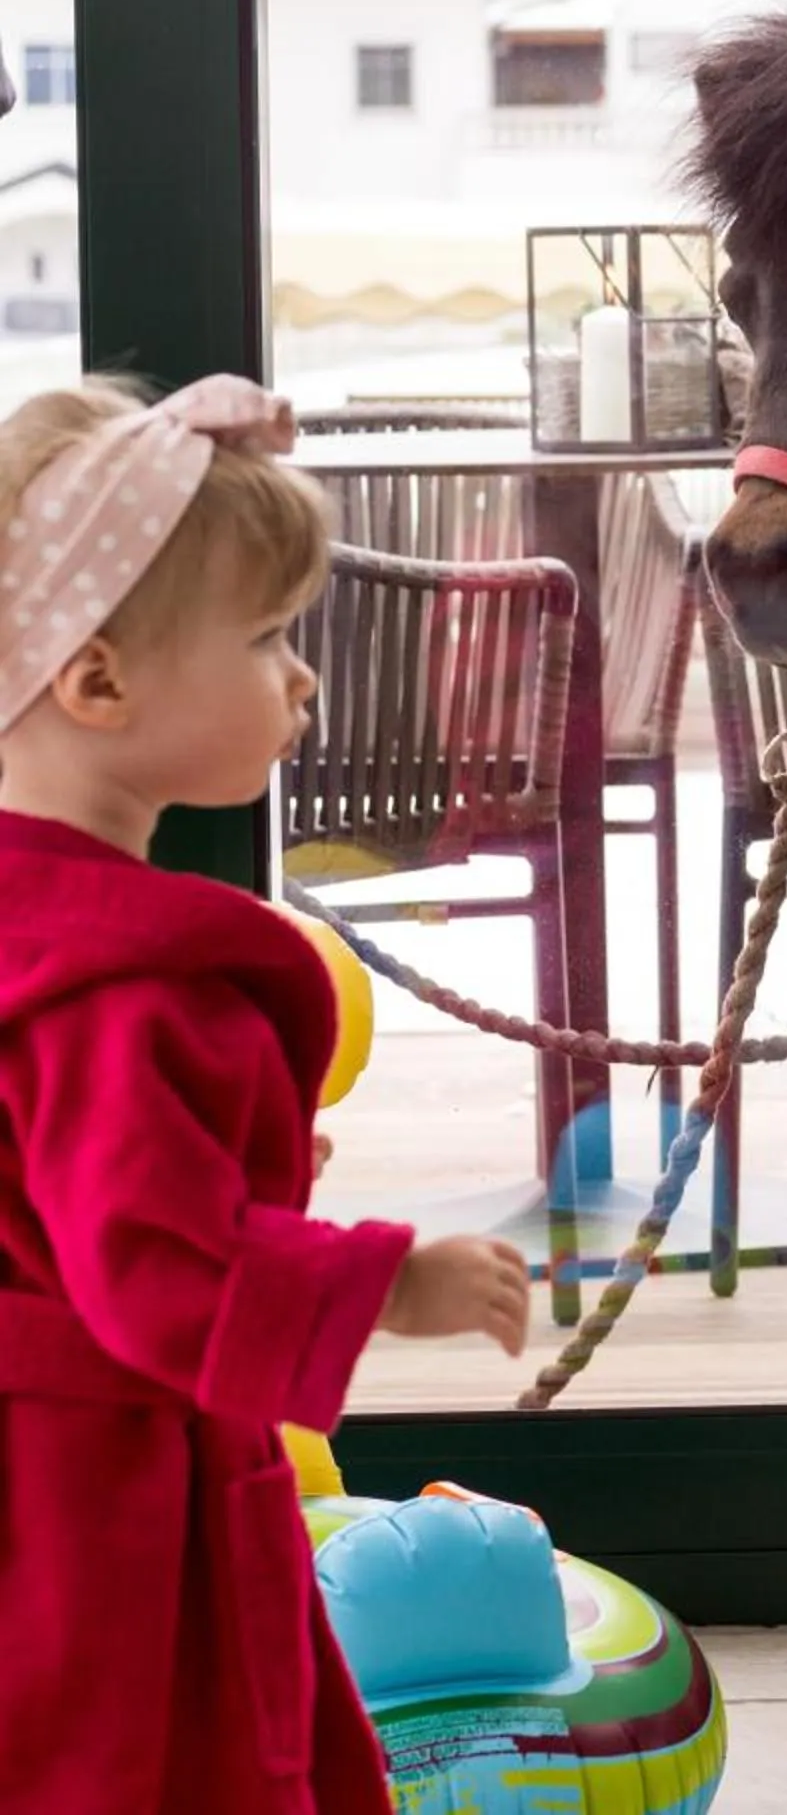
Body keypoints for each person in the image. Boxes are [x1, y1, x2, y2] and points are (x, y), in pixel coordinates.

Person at [0, 376, 532, 1814]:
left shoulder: (30, 931)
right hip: (103, 1512)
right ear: (97, 682)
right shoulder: (122, 984)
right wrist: (383, 1281)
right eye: (267, 637)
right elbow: (152, 1264)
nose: (301, 680)